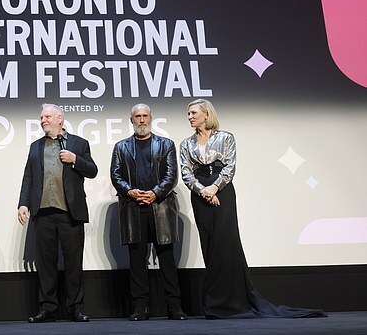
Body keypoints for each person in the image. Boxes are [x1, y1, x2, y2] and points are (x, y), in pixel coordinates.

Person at [179, 98, 326, 319]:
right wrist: (203, 191)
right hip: (200, 197)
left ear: (206, 114)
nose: (189, 117)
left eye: (193, 113)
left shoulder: (225, 137)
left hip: (222, 192)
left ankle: (233, 301)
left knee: (226, 244)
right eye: (188, 114)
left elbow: (229, 167)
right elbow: (186, 172)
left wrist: (214, 188)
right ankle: (217, 303)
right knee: (209, 245)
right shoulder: (185, 144)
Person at [17, 104, 98, 323]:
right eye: (41, 116)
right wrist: (23, 204)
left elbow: (92, 170)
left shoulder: (79, 144)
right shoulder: (35, 146)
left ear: (59, 118)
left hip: (70, 213)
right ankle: (48, 308)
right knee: (45, 264)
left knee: (73, 263)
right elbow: (28, 177)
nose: (42, 120)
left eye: (47, 116)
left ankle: (75, 308)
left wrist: (76, 160)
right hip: (42, 212)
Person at [110, 104, 188, 321]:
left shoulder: (166, 144)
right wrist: (130, 191)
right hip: (133, 209)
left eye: (145, 116)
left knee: (167, 260)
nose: (142, 120)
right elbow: (116, 176)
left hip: (160, 207)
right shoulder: (121, 147)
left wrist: (155, 193)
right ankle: (140, 308)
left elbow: (172, 175)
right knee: (137, 261)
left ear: (151, 118)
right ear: (131, 120)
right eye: (138, 117)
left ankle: (175, 307)